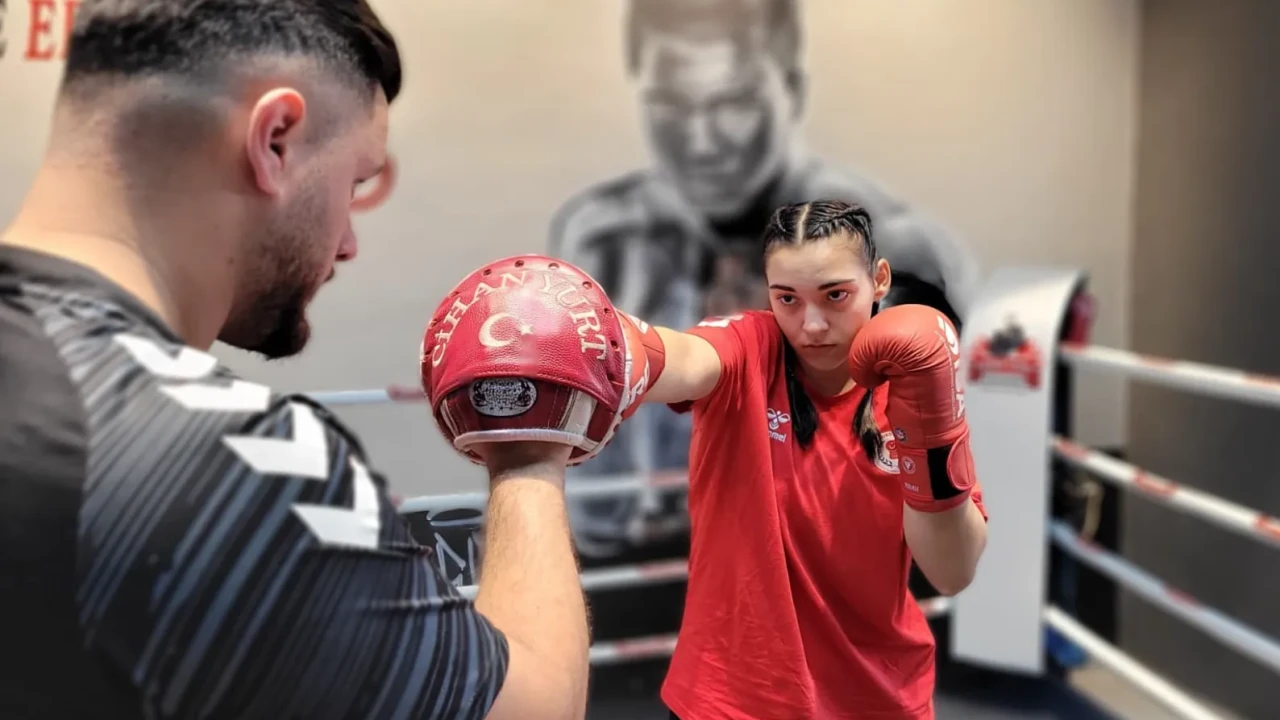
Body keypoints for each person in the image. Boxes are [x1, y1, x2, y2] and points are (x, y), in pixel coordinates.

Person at [0, 2, 594, 718]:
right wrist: (528, 450)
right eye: (355, 184)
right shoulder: (242, 464)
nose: (347, 242)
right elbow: (536, 708)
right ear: (275, 139)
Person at [548, 0, 981, 561]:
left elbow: (946, 475)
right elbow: (589, 495)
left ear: (792, 92)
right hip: (651, 573)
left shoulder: (894, 246)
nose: (701, 142)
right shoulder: (605, 240)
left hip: (835, 565)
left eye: (733, 105)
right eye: (669, 105)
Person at [618, 200, 990, 719]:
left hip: (876, 698)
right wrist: (607, 343)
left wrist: (929, 434)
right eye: (787, 298)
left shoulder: (909, 392)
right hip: (733, 700)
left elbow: (952, 572)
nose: (811, 324)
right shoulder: (749, 350)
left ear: (879, 280)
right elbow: (683, 359)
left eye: (835, 295)